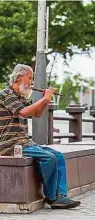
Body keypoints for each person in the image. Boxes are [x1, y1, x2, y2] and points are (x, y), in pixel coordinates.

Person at [0, 64, 81, 209]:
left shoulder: (20, 96)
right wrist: (44, 100)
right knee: (49, 157)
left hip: (24, 142)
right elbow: (23, 112)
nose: (32, 82)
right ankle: (52, 197)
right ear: (19, 78)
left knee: (59, 156)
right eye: (30, 78)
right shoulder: (7, 94)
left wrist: (46, 100)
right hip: (9, 144)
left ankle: (62, 195)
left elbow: (36, 114)